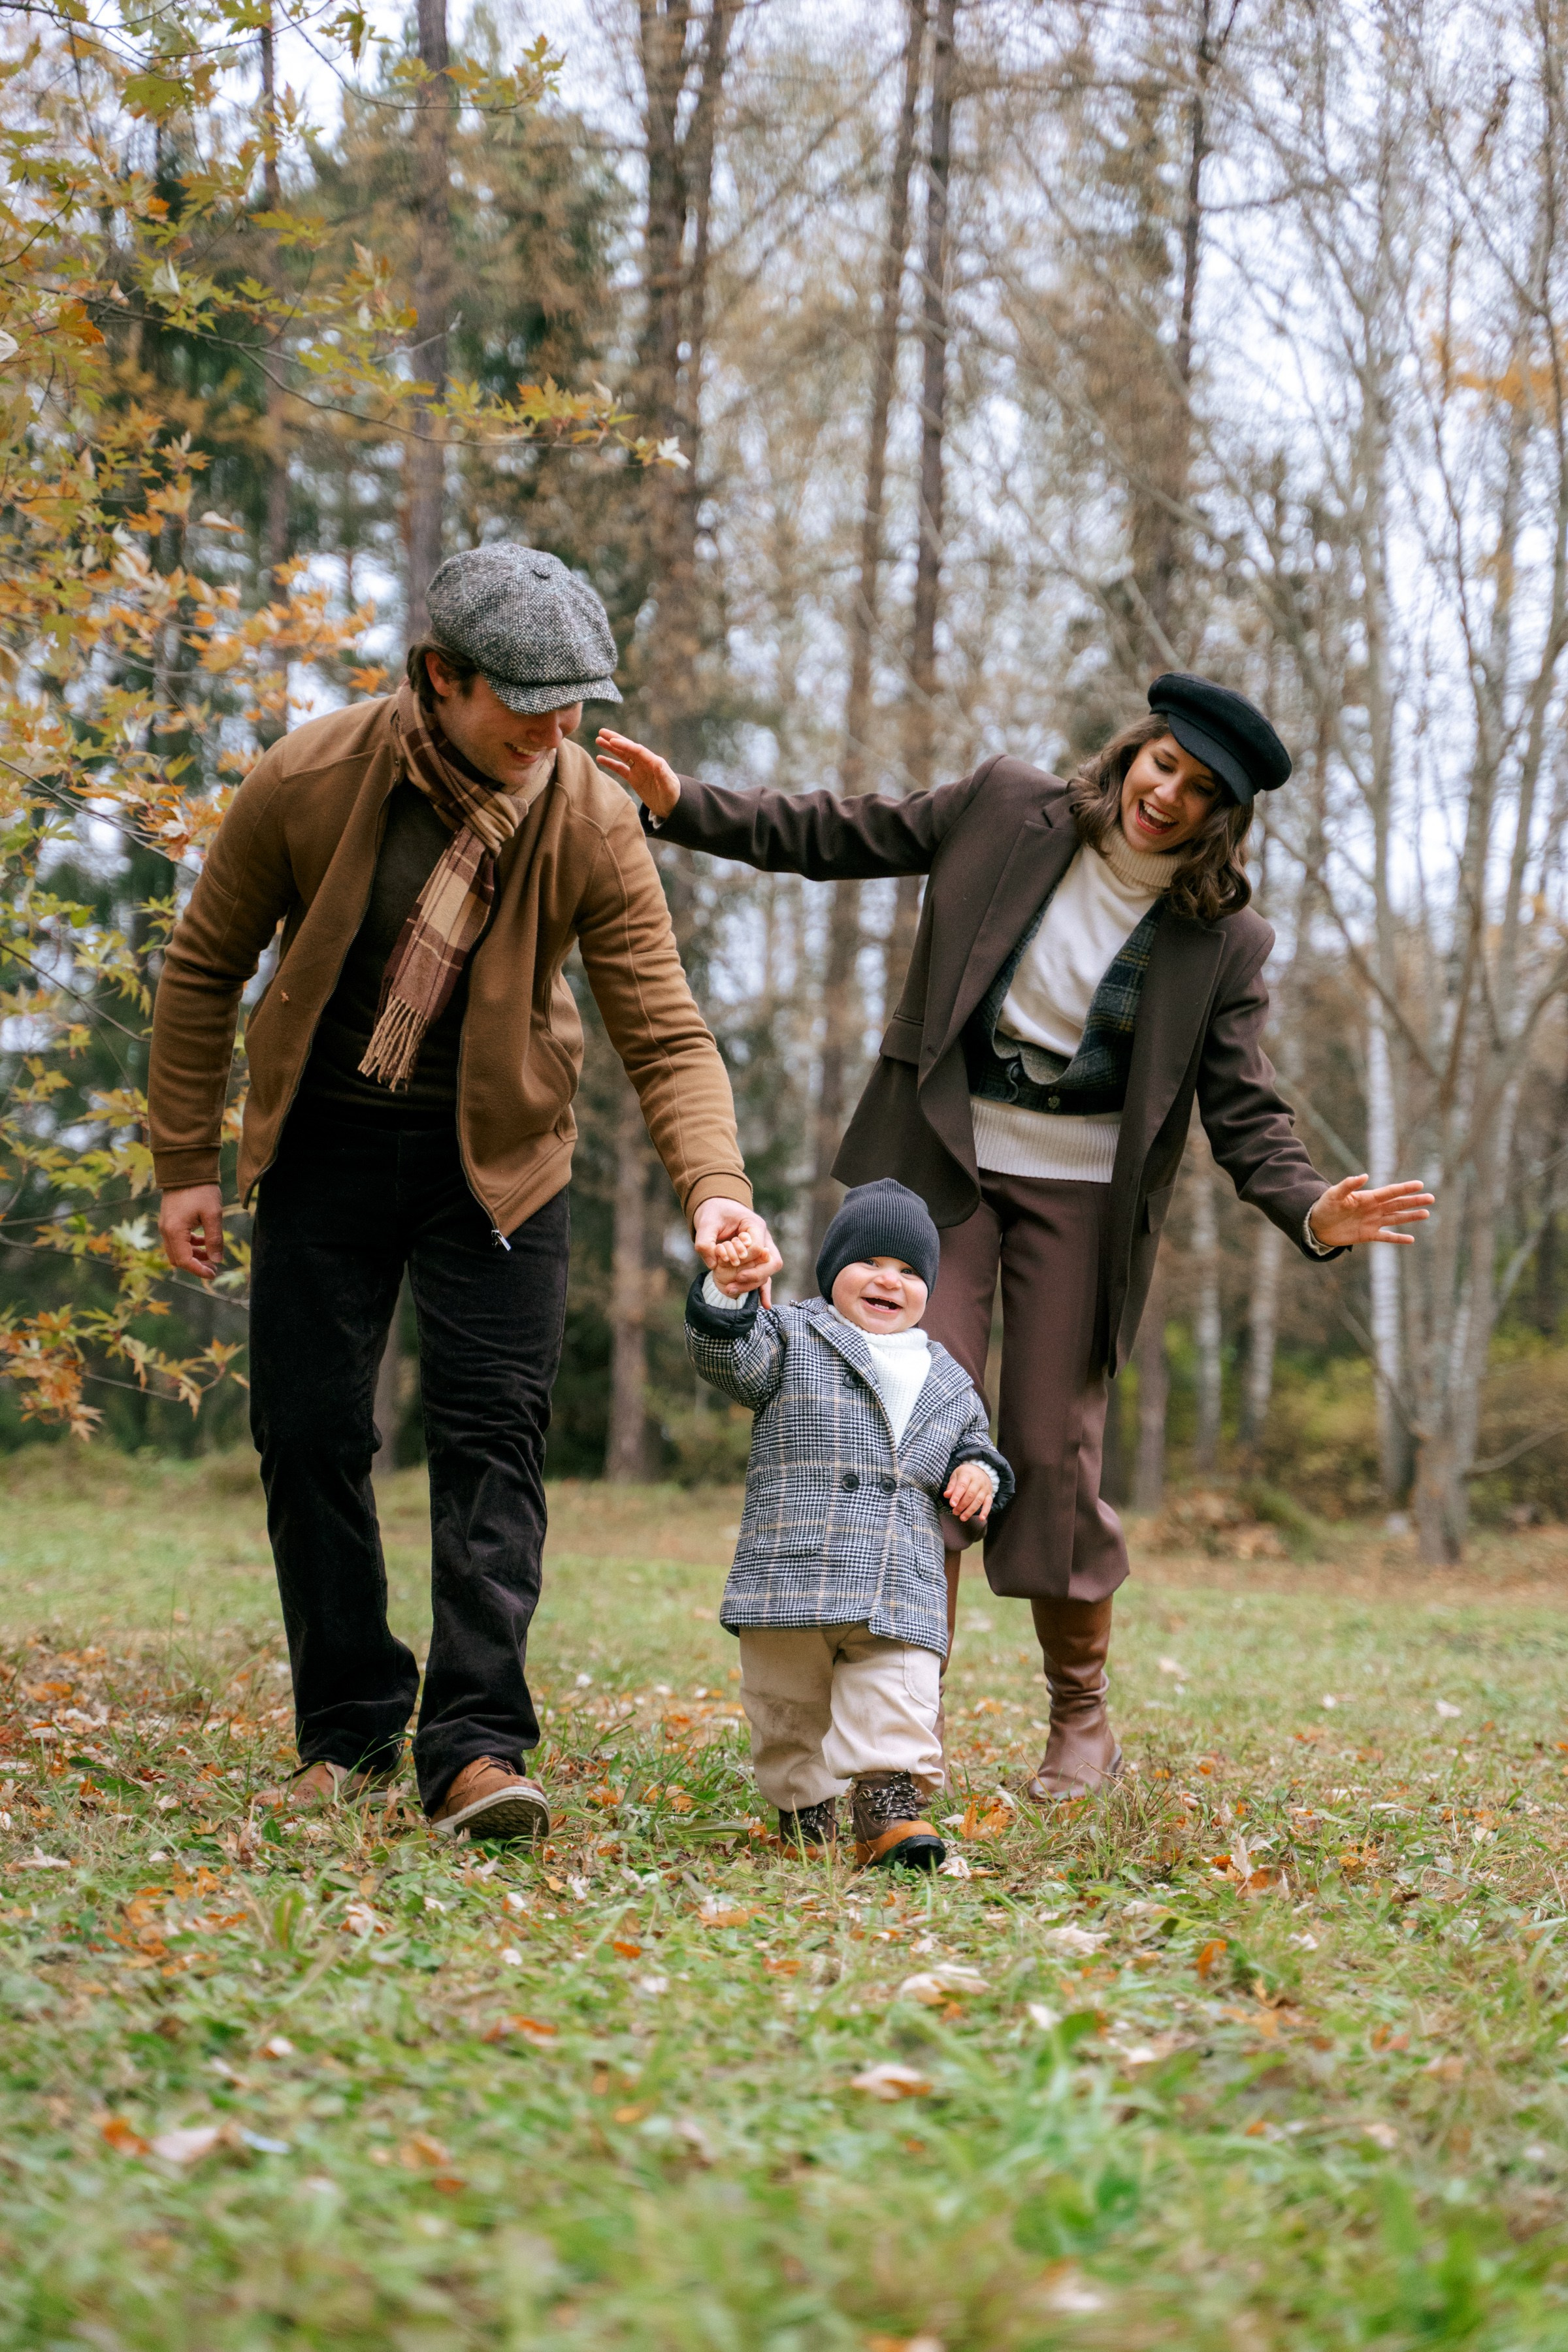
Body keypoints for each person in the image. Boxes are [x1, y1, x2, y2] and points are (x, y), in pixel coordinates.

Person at [597, 675, 1433, 1802]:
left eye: (1199, 789)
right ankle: (902, 1718)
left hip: (1084, 1197)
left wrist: (1311, 1210)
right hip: (945, 1168)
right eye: (1163, 764)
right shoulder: (1004, 806)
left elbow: (1244, 1110)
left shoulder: (1226, 943)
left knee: (1048, 1448)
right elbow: (842, 833)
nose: (1167, 796)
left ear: (1222, 817)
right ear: (1134, 752)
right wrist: (686, 803)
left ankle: (1080, 1715)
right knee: (909, 1419)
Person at [150, 544, 778, 1842]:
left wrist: (715, 1187)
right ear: (442, 677)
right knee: (310, 1436)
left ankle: (477, 1747)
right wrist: (185, 1167)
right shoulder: (309, 779)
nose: (558, 733)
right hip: (325, 1144)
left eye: (576, 706)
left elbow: (664, 1029)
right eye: (529, 706)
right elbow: (205, 967)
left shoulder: (589, 815)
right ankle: (348, 1730)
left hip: (500, 1161)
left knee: (494, 1442)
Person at [687, 1178, 1013, 1870]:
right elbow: (729, 1361)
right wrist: (727, 1294)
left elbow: (974, 1442)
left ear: (928, 1289)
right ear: (833, 1271)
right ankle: (804, 1809)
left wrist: (979, 1473)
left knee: (898, 1691)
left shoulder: (947, 1375)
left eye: (909, 1271)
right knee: (787, 1708)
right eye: (869, 1262)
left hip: (899, 1582)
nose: (888, 1280)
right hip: (792, 1571)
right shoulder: (790, 1334)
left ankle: (888, 1806)